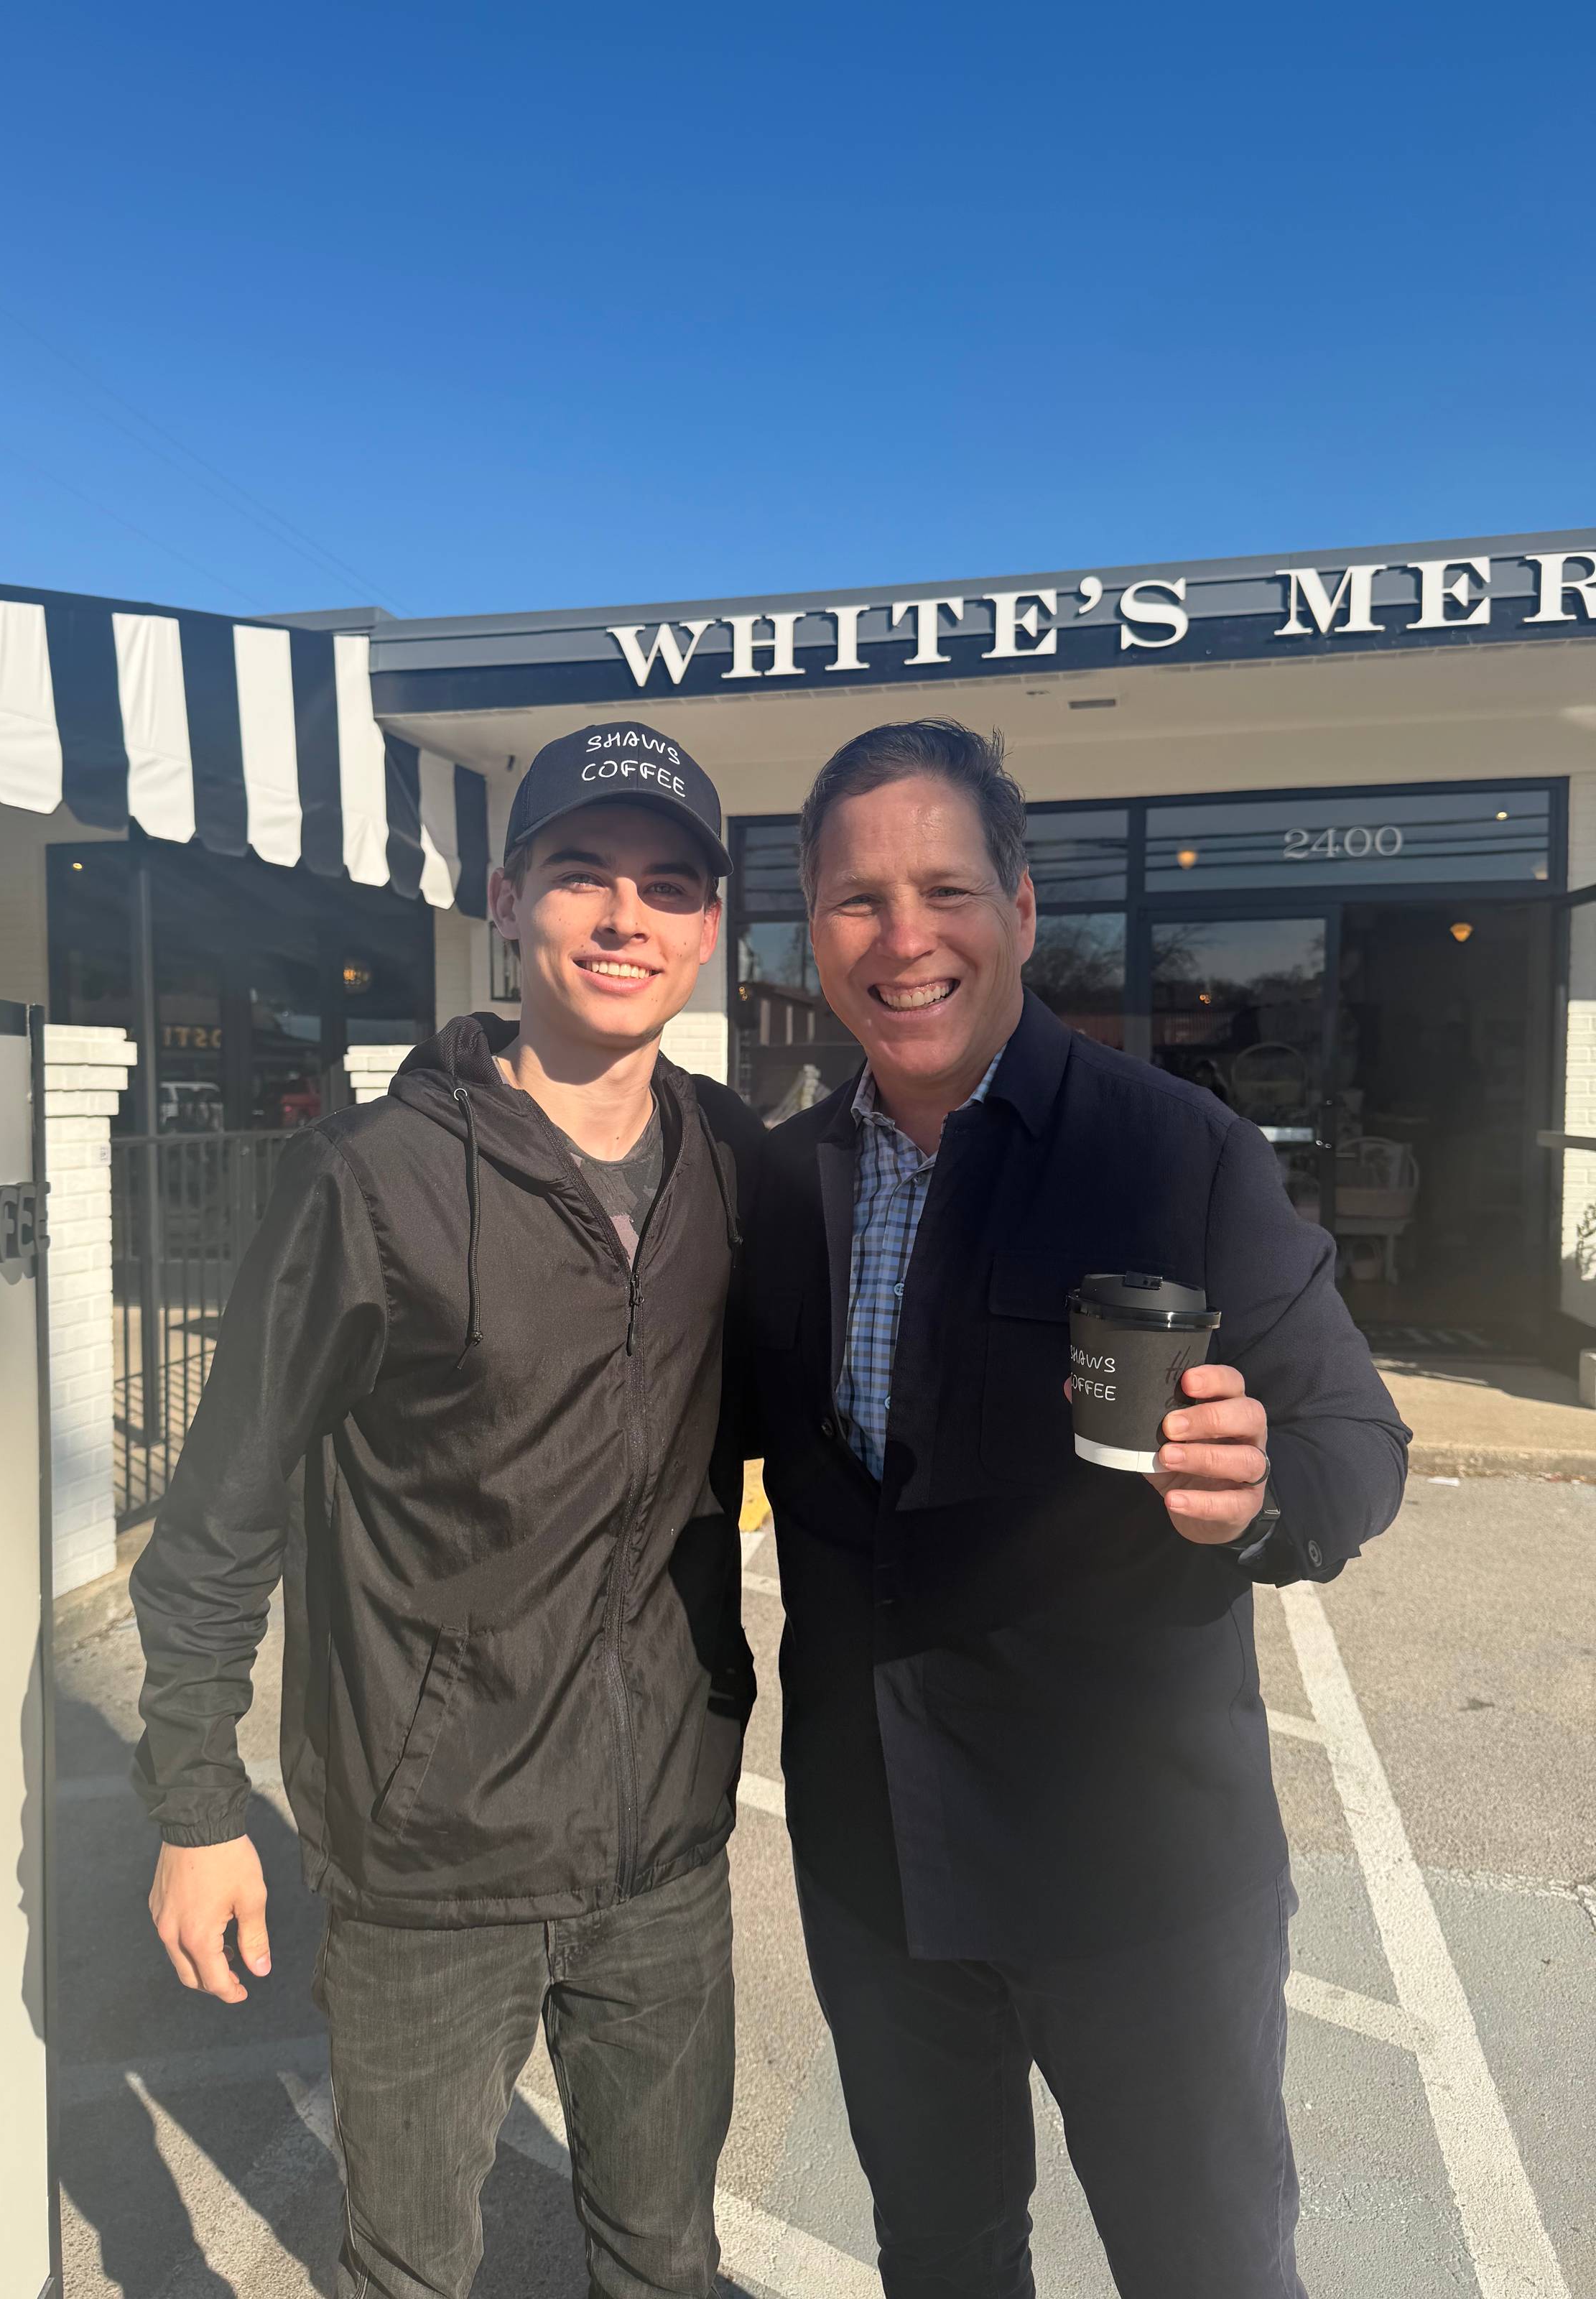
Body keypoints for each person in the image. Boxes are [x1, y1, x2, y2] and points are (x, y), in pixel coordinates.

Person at [740, 719, 1411, 2299]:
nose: (903, 938)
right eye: (857, 899)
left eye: (945, 890)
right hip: (879, 1865)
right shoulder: (774, 1185)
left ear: (1023, 910)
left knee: (1206, 2270)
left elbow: (1355, 1441)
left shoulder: (1177, 1154)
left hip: (1135, 1880)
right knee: (944, 2262)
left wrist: (1259, 1493)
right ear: (811, 930)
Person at [130, 721, 765, 2299]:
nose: (623, 917)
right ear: (506, 900)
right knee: (408, 2272)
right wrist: (197, 1805)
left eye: (668, 887)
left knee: (666, 2260)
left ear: (708, 930)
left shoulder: (736, 1166)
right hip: (431, 1864)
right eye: (582, 874)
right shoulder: (368, 1180)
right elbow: (219, 1516)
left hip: (664, 1856)